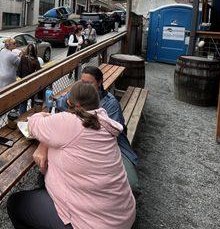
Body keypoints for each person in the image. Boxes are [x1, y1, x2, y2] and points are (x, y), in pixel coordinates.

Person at [7, 81, 135, 229]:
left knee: (16, 203)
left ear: (70, 103)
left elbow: (33, 124)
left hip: (94, 223)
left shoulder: (70, 122)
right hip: (122, 216)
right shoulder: (104, 122)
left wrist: (42, 115)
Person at [55, 65, 140, 193]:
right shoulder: (79, 92)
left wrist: (77, 112)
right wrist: (67, 102)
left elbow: (112, 134)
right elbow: (60, 102)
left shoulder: (110, 103)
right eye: (82, 82)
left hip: (113, 147)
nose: (85, 86)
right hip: (82, 142)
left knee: (131, 185)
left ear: (100, 83)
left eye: (89, 83)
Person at [16, 43, 41, 114]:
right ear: (35, 51)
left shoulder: (23, 58)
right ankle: (32, 114)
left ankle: (22, 116)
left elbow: (18, 71)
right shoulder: (36, 61)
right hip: (32, 84)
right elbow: (39, 72)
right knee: (33, 101)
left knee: (23, 102)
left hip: (24, 83)